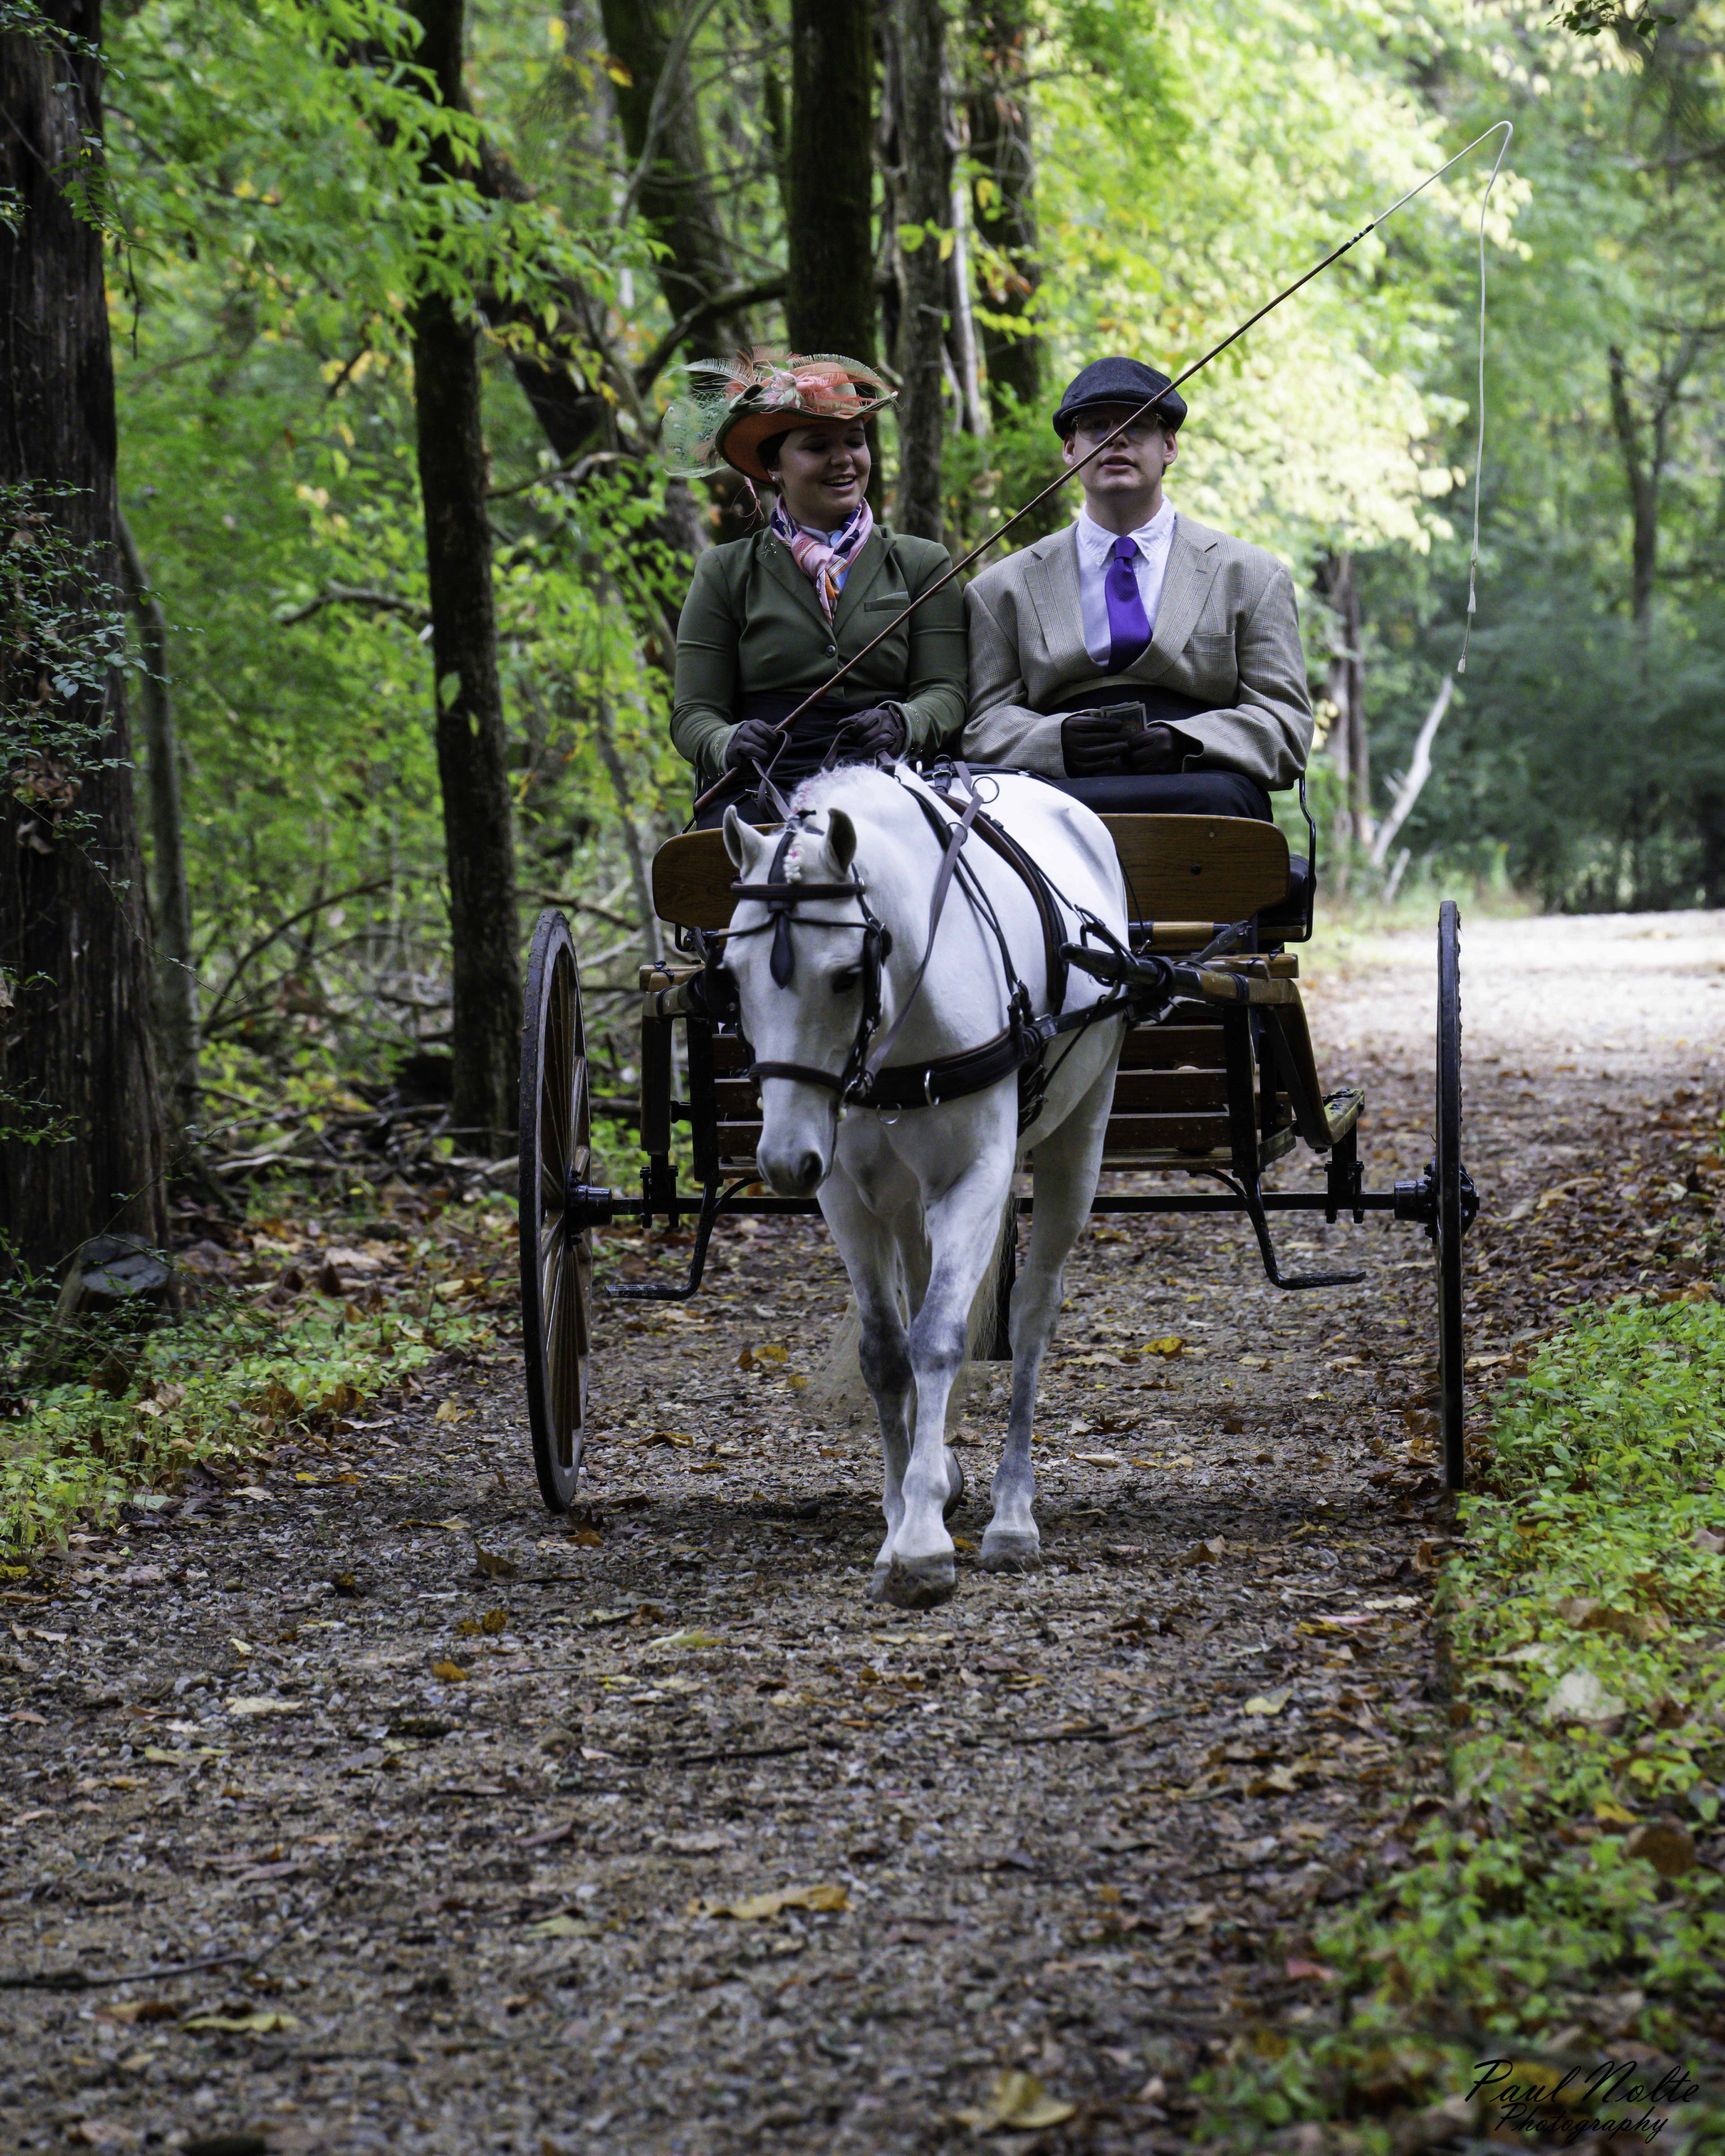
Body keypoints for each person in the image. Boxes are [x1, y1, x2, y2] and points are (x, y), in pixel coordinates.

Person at [961, 356, 1313, 819]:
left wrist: (1190, 741)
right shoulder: (1000, 589)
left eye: (1137, 426)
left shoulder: (1250, 575)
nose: (1117, 439)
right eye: (1096, 426)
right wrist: (1054, 742)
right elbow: (981, 727)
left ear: (1169, 446)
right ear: (1070, 450)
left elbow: (1285, 725)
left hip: (1204, 797)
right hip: (1054, 803)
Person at [667, 352, 967, 827]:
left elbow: (946, 690)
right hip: (762, 786)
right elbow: (693, 714)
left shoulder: (921, 563)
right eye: (816, 446)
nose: (843, 459)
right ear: (774, 468)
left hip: (895, 778)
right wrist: (728, 742)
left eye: (855, 441)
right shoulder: (724, 571)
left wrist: (902, 722)